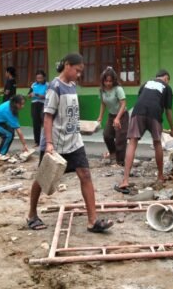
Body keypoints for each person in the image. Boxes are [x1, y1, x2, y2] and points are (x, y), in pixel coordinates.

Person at [27, 53, 113, 233]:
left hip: (74, 141)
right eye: (77, 70)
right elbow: (48, 117)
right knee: (43, 179)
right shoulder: (55, 87)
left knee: (85, 175)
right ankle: (32, 215)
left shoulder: (72, 86)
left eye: (81, 71)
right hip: (55, 142)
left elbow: (69, 113)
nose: (79, 74)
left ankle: (93, 221)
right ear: (67, 65)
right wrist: (49, 143)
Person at [115, 69, 173, 194]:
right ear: (166, 78)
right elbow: (168, 111)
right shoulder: (167, 87)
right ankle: (160, 176)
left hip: (138, 112)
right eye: (168, 80)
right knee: (157, 143)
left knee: (132, 142)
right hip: (155, 113)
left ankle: (125, 180)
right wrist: (172, 129)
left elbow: (141, 100)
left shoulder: (145, 84)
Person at [96, 67, 129, 166]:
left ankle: (120, 162)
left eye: (110, 81)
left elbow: (123, 104)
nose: (108, 83)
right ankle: (113, 155)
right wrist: (100, 117)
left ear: (114, 80)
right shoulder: (102, 90)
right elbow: (103, 104)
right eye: (106, 81)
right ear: (103, 81)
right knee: (107, 135)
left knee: (120, 139)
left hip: (122, 115)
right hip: (111, 116)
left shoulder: (118, 89)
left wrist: (118, 118)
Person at [0, 95, 29, 161]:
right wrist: (24, 145)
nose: (22, 106)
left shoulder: (11, 104)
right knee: (8, 135)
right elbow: (18, 130)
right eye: (21, 104)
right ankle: (0, 154)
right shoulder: (8, 110)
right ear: (15, 103)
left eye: (23, 104)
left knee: (10, 132)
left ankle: (0, 153)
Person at [27, 70, 48, 147]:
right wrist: (30, 95)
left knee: (45, 123)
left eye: (40, 78)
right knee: (36, 123)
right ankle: (37, 142)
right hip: (34, 105)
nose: (39, 79)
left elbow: (48, 96)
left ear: (44, 77)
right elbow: (28, 95)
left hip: (43, 104)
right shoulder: (33, 85)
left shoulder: (47, 85)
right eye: (37, 78)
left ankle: (47, 141)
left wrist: (37, 95)